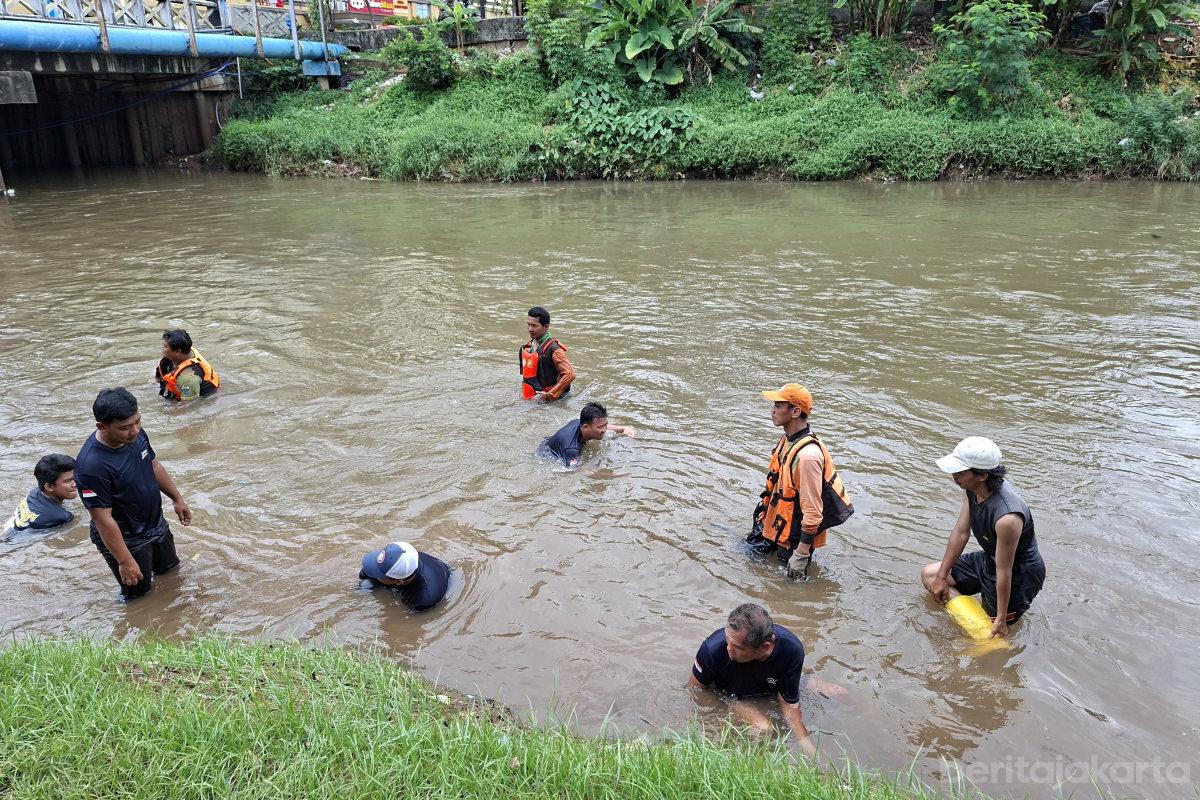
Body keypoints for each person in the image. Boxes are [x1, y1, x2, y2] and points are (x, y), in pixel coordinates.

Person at [922, 437, 1046, 638]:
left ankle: (998, 634)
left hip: (1019, 574)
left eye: (960, 471)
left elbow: (1004, 571)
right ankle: (971, 613)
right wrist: (941, 577)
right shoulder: (971, 490)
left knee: (991, 632)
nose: (954, 475)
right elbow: (961, 533)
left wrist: (1001, 617)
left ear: (982, 476)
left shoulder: (1007, 518)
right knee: (930, 576)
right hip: (990, 559)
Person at [75, 388, 192, 600]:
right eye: (125, 427)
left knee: (172, 575)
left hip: (155, 525)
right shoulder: (91, 466)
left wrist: (177, 498)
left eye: (138, 421)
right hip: (127, 539)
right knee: (139, 597)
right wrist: (124, 561)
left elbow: (154, 466)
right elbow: (102, 518)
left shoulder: (136, 435)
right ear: (102, 426)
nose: (135, 430)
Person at [748, 383, 853, 580]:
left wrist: (801, 554)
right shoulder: (789, 439)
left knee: (784, 592)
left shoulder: (807, 457)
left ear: (795, 411)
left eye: (778, 405)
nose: (772, 410)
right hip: (777, 526)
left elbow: (813, 512)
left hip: (793, 540)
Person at [689, 603, 822, 754]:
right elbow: (696, 690)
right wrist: (726, 709)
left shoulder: (791, 650)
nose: (728, 649)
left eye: (737, 647)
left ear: (764, 647)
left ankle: (807, 680)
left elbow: (789, 703)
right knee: (764, 728)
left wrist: (807, 746)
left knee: (839, 691)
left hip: (771, 686)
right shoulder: (712, 649)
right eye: (727, 640)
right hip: (731, 696)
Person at [359, 540, 452, 612]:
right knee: (366, 584)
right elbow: (365, 573)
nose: (374, 573)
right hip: (416, 573)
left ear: (399, 582)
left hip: (434, 579)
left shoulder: (424, 600)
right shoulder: (405, 556)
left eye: (378, 574)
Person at [537, 402, 636, 468]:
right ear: (585, 427)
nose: (604, 430)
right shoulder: (572, 449)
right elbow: (576, 471)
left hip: (553, 442)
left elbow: (603, 425)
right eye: (600, 427)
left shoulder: (579, 422)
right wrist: (608, 475)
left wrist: (623, 428)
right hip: (547, 456)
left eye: (605, 425)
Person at [4, 454, 77, 532]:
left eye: (75, 477)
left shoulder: (35, 493)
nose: (75, 484)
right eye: (67, 481)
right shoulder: (61, 518)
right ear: (49, 487)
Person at [519, 306, 575, 401]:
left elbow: (570, 374)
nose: (530, 329)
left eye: (534, 326)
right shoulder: (529, 345)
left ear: (546, 327)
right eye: (529, 324)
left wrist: (550, 394)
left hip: (553, 400)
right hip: (533, 395)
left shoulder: (554, 349)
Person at [155, 328, 220, 401]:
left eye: (165, 346)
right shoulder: (185, 351)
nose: (162, 349)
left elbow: (188, 406)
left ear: (177, 351)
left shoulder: (187, 378)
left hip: (201, 398)